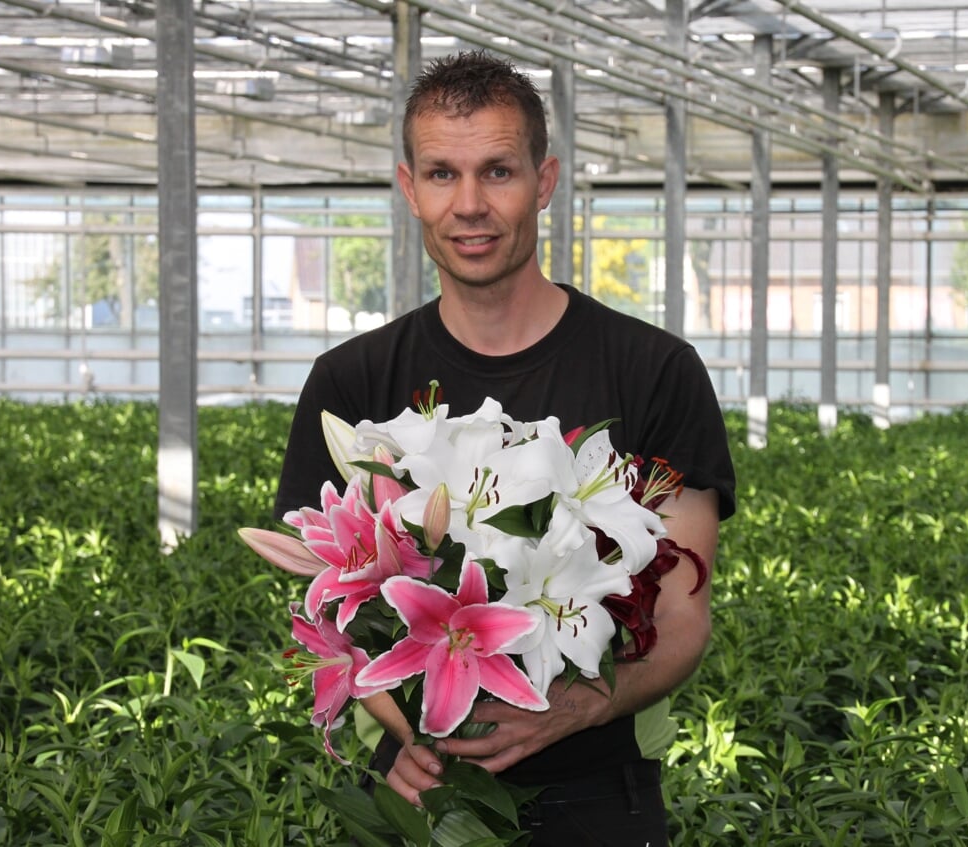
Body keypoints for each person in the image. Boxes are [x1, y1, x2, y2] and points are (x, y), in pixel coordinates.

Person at [273, 49, 735, 846]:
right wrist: (401, 741)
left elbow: (682, 612)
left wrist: (580, 702)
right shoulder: (351, 382)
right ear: (409, 187)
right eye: (443, 175)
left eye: (497, 171)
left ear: (544, 182)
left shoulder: (654, 370)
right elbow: (323, 609)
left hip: (598, 789)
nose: (470, 205)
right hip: (411, 793)